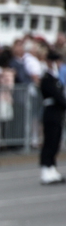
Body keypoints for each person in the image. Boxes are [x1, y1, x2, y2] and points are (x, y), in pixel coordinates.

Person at [38, 50, 66, 185]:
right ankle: (45, 169)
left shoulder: (55, 79)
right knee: (49, 142)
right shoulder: (47, 79)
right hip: (51, 112)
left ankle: (52, 168)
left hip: (57, 113)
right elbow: (57, 97)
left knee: (56, 141)